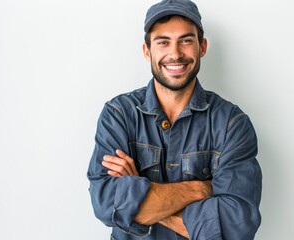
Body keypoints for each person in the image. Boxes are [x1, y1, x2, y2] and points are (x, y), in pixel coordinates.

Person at [87, 0, 262, 239]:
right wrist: (200, 188)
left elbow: (236, 225)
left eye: (186, 41)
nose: (175, 54)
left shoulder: (232, 123)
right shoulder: (119, 115)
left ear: (202, 47)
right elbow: (107, 203)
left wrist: (137, 192)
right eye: (163, 42)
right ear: (147, 51)